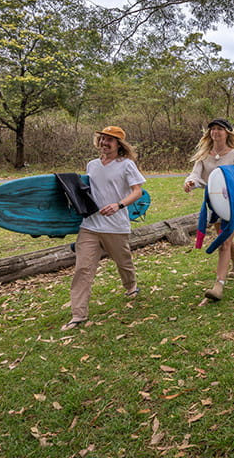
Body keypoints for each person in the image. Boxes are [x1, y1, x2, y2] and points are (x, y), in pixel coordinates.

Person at [62, 126, 146, 331]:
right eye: (102, 138)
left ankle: (131, 286)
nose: (104, 142)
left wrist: (119, 205)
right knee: (83, 268)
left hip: (116, 226)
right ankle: (78, 314)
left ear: (119, 144)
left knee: (123, 261)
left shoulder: (126, 164)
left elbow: (138, 192)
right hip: (90, 225)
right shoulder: (91, 165)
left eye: (110, 139)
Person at [184, 118, 234, 302]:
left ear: (227, 132)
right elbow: (196, 175)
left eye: (219, 129)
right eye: (213, 129)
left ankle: (218, 285)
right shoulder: (204, 155)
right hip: (215, 204)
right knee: (224, 239)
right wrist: (190, 182)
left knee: (224, 242)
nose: (215, 132)